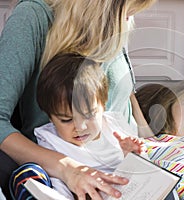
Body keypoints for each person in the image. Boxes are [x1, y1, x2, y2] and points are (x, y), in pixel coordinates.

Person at [0, 0, 155, 199]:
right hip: (61, 169)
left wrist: (146, 147)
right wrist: (67, 168)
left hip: (126, 169)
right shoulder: (33, 18)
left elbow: (125, 98)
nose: (128, 20)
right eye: (125, 12)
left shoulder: (117, 23)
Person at [24, 53, 140, 199]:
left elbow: (145, 176)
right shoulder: (50, 140)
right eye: (66, 120)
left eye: (89, 115)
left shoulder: (115, 125)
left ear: (103, 105)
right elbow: (57, 186)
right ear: (51, 118)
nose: (80, 127)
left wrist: (132, 157)